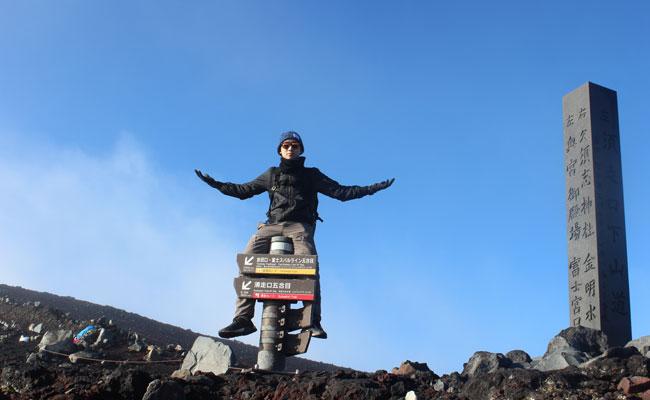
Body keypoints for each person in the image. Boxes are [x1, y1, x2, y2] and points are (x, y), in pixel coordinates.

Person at [195, 131, 394, 340]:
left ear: (300, 150)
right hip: (272, 226)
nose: (290, 149)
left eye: (295, 146)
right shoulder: (271, 174)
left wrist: (373, 188)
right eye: (287, 145)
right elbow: (243, 190)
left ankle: (312, 322)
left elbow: (341, 192)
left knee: (309, 269)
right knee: (248, 262)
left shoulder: (311, 175)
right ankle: (243, 320)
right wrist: (216, 184)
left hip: (299, 227)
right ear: (280, 150)